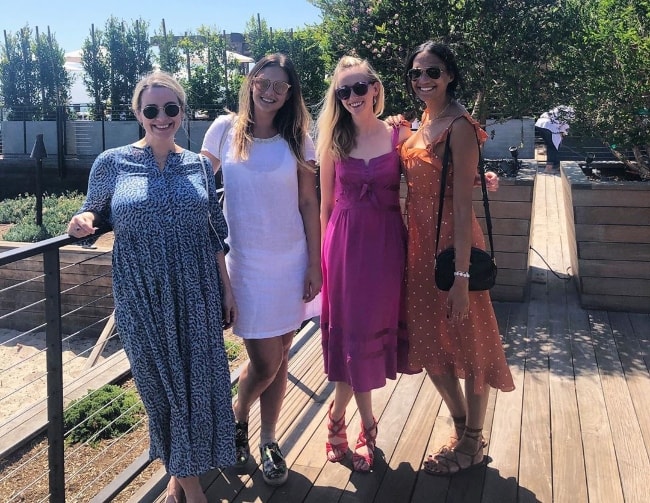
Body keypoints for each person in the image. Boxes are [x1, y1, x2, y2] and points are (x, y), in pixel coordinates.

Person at [67, 71, 236, 503]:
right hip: (140, 293)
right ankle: (192, 486)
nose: (162, 117)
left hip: (196, 290)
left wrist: (228, 291)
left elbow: (214, 233)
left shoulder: (199, 164)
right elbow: (94, 211)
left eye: (171, 108)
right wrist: (83, 221)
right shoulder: (111, 161)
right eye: (152, 110)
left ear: (181, 111)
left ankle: (183, 483)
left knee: (197, 387)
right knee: (159, 388)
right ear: (138, 114)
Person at [200, 53, 321, 486]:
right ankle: (237, 413)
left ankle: (268, 439)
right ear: (251, 82)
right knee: (265, 361)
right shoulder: (222, 130)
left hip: (291, 263)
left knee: (282, 355)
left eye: (280, 86)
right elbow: (193, 188)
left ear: (290, 93)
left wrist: (315, 262)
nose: (270, 91)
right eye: (263, 82)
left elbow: (309, 202)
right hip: (245, 267)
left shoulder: (299, 139)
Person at [398, 41, 515, 476]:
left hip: (454, 248)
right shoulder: (422, 122)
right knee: (430, 344)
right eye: (416, 74)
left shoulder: (460, 126)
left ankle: (472, 441)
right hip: (419, 248)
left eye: (432, 72)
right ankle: (464, 426)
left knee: (471, 342)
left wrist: (463, 277)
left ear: (449, 75)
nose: (423, 80)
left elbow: (465, 207)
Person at [316, 56, 416, 472]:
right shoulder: (332, 142)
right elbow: (323, 207)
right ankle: (366, 423)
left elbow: (432, 179)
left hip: (387, 247)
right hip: (344, 249)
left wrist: (480, 179)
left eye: (360, 87)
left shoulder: (400, 134)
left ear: (375, 88)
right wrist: (322, 266)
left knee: (360, 342)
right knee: (352, 338)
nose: (354, 97)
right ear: (337, 98)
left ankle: (337, 421)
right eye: (344, 91)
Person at [535, 106, 573, 173]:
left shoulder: (561, 108)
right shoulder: (570, 113)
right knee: (553, 147)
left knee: (550, 144)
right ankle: (548, 169)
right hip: (550, 127)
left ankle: (555, 165)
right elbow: (564, 126)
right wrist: (563, 134)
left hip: (540, 124)